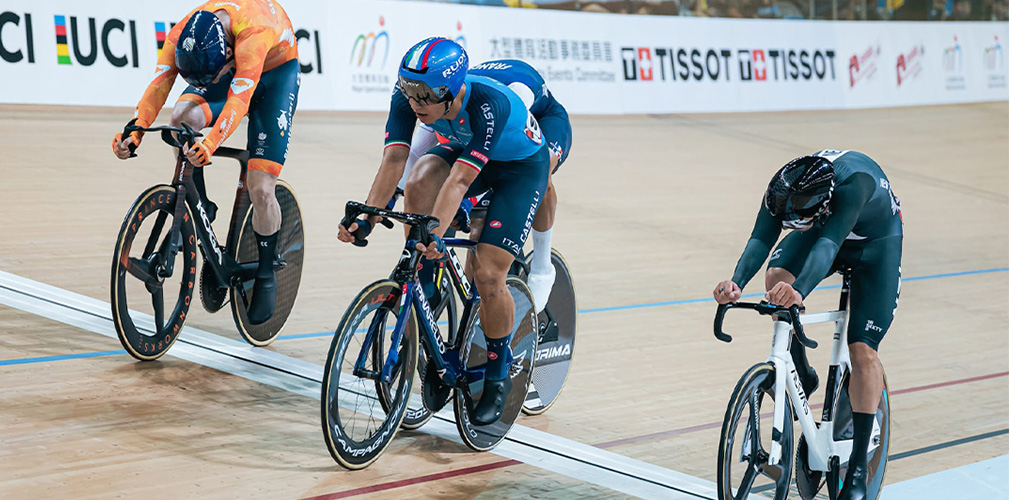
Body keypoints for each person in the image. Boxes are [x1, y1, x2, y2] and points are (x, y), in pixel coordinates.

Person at [338, 38, 549, 426]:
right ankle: (429, 278)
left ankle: (497, 373)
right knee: (419, 178)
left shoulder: (488, 104)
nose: (415, 103)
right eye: (409, 91)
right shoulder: (410, 98)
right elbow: (395, 158)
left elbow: (459, 181)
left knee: (488, 274)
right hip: (468, 153)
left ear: (450, 92)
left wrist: (433, 232)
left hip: (518, 170)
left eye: (424, 95)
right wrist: (368, 216)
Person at [713, 150, 902, 500]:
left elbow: (828, 246)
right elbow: (761, 238)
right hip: (825, 230)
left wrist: (799, 291)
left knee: (862, 350)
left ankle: (857, 468)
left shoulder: (854, 186)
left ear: (823, 205)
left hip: (875, 244)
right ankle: (801, 371)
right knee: (777, 276)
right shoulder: (783, 189)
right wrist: (736, 282)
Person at [112, 0, 300, 325]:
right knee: (181, 119)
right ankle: (201, 204)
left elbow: (239, 102)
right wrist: (136, 130)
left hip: (275, 77)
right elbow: (159, 85)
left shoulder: (253, 33)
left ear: (226, 53)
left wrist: (210, 143)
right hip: (234, 66)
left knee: (261, 187)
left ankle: (266, 271)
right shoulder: (182, 33)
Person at [394, 58, 573, 313]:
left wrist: (466, 203)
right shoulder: (440, 97)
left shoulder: (505, 97)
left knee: (543, 172)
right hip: (486, 131)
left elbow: (496, 157)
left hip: (541, 124)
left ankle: (543, 267)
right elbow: (415, 154)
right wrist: (394, 195)